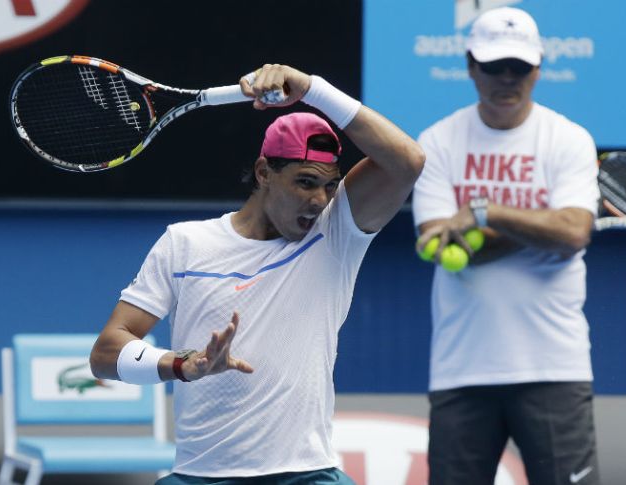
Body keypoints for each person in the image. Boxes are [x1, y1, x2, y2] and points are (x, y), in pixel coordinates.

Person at [90, 63, 425, 484]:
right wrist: (183, 365)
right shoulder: (186, 243)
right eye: (305, 182)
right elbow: (105, 355)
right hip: (201, 475)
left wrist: (312, 90)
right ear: (265, 172)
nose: (320, 199)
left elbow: (408, 160)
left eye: (328, 185)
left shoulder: (337, 230)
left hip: (307, 472)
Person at [412, 7, 601, 485]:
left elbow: (574, 233)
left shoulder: (569, 140)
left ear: (538, 69)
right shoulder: (436, 142)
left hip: (555, 366)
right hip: (462, 370)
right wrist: (542, 227)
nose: (507, 78)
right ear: (471, 66)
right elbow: (438, 244)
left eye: (519, 67)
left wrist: (485, 214)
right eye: (494, 66)